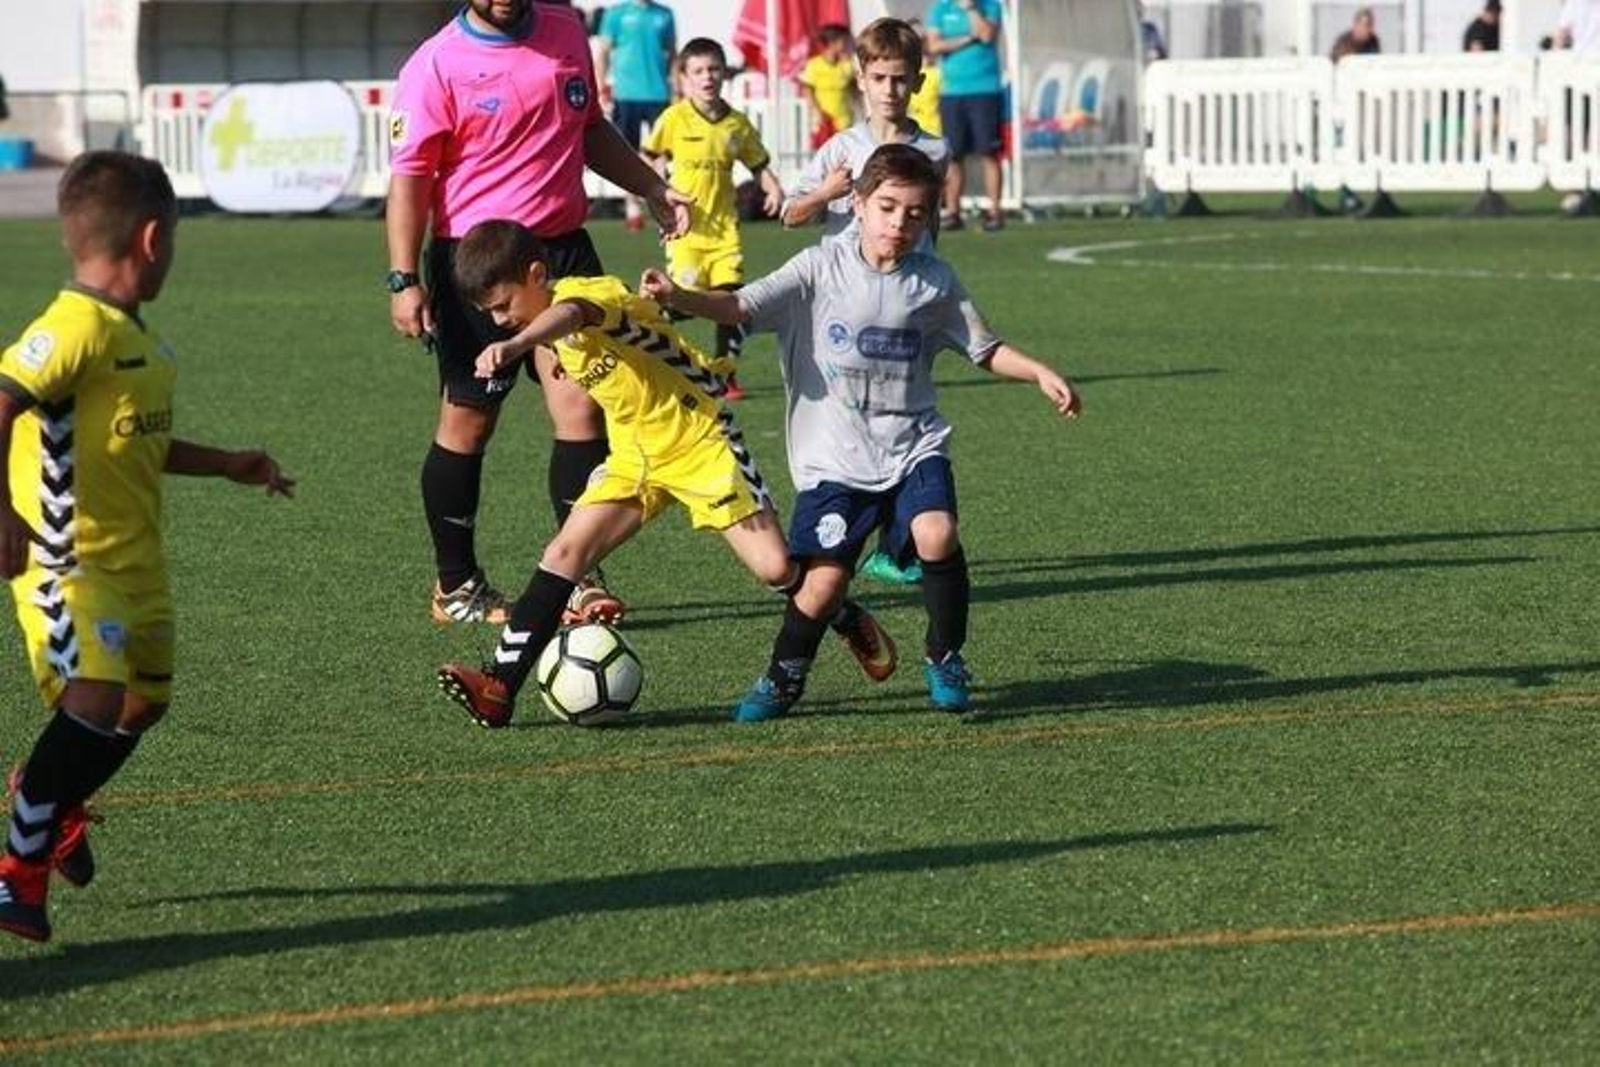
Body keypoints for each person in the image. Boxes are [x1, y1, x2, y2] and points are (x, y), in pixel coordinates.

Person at [642, 145, 1082, 722]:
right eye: (888, 208)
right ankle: (783, 675)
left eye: (915, 213)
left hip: (913, 445)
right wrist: (680, 298)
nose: (899, 224)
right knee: (822, 586)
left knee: (937, 533)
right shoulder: (816, 269)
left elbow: (983, 347)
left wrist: (1038, 372)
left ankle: (945, 656)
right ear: (858, 204)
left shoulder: (935, 282)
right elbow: (739, 306)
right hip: (835, 461)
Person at [435, 221, 896, 728]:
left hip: (699, 440)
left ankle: (842, 614)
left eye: (504, 306)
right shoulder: (550, 326)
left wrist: (521, 343)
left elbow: (573, 314)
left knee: (775, 568)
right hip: (635, 456)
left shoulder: (588, 294)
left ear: (537, 274)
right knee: (564, 553)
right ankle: (499, 687)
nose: (500, 320)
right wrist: (546, 348)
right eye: (491, 314)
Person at [0, 151, 294, 943]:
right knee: (95, 696)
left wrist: (228, 463)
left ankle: (48, 794)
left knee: (143, 704)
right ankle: (17, 870)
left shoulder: (144, 345)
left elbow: (137, 445)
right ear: (154, 239)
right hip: (68, 558)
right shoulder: (72, 327)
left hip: (138, 563)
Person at [386, 0, 690, 630]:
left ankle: (577, 577)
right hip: (478, 259)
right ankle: (456, 586)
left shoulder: (565, 29)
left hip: (562, 252)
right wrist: (404, 279)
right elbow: (411, 176)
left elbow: (590, 129)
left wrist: (651, 186)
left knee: (583, 410)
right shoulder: (436, 64)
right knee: (468, 421)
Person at [782, 17, 952, 589]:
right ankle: (833, 532)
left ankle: (896, 548)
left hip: (907, 303)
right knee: (850, 418)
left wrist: (933, 287)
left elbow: (931, 224)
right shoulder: (842, 148)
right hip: (844, 306)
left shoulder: (934, 149)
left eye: (901, 79)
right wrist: (827, 192)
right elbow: (789, 214)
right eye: (879, 78)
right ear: (861, 78)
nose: (890, 90)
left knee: (906, 417)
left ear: (918, 82)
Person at [642, 38, 784, 402]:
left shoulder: (736, 124)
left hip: (724, 233)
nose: (707, 77)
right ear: (684, 78)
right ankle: (651, 342)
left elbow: (758, 163)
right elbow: (650, 156)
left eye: (714, 69)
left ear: (724, 74)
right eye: (699, 71)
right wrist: (658, 193)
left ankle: (725, 375)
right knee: (679, 302)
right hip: (685, 233)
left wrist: (773, 188)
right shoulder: (674, 118)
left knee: (731, 303)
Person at [595, 0, 677, 232]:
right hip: (626, 94)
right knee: (627, 151)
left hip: (658, 93)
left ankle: (664, 203)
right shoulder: (615, 14)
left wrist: (676, 87)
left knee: (661, 153)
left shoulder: (665, 14)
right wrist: (601, 86)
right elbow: (603, 52)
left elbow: (673, 54)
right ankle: (632, 210)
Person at [926, 0, 1006, 232]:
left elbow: (987, 34)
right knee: (954, 155)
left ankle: (994, 212)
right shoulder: (941, 9)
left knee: (989, 152)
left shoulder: (990, 6)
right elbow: (934, 45)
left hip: (985, 90)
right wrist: (969, 39)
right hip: (951, 91)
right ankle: (954, 212)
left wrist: (971, 9)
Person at [799, 24, 858, 150]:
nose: (847, 44)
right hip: (824, 122)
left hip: (844, 121)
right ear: (833, 43)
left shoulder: (847, 65)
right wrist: (817, 111)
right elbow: (807, 89)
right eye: (844, 40)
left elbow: (855, 87)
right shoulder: (814, 65)